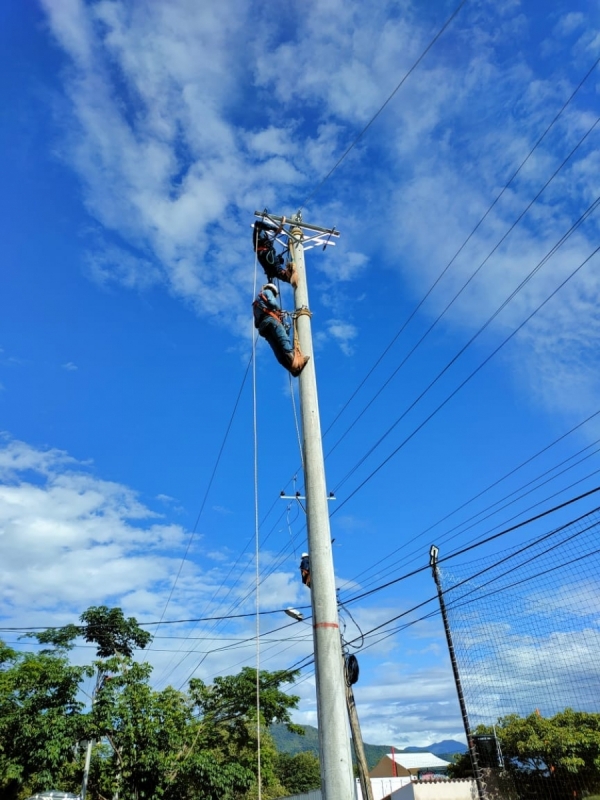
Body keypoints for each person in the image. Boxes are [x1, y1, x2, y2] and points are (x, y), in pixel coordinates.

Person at [253, 284, 309, 377]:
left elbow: (256, 324)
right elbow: (272, 303)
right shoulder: (267, 292)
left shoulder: (255, 305)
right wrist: (278, 310)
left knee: (277, 349)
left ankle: (292, 370)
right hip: (271, 321)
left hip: (263, 329)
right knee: (284, 340)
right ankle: (297, 362)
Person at [253, 220, 298, 287]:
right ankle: (289, 277)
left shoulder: (264, 238)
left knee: (276, 271)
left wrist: (278, 258)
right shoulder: (258, 234)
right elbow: (257, 224)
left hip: (268, 259)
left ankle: (290, 277)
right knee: (277, 270)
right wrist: (274, 228)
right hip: (265, 255)